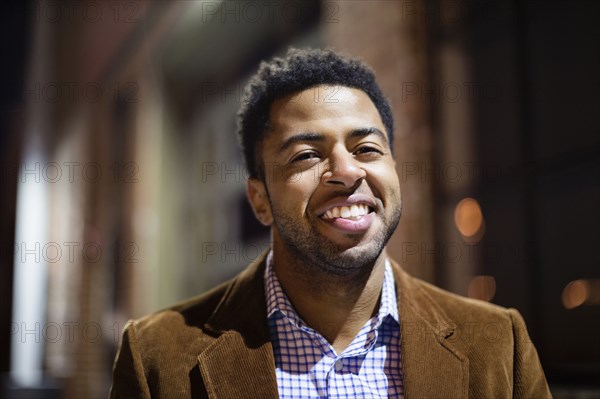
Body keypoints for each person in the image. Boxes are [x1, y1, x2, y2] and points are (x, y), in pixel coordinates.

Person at [110, 48, 551, 398]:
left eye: (367, 149)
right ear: (260, 201)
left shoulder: (498, 344)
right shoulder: (156, 357)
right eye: (306, 155)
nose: (347, 171)